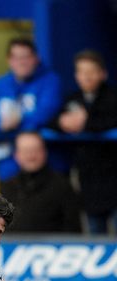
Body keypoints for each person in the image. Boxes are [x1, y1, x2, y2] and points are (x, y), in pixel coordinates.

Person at [0, 38, 62, 181]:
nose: (21, 62)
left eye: (26, 57)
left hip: (46, 162)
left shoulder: (50, 81)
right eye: (16, 57)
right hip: (7, 164)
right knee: (7, 202)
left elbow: (48, 111)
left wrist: (20, 120)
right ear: (9, 60)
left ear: (36, 58)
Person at [57, 50, 117, 234]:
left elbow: (110, 119)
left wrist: (86, 122)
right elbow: (53, 120)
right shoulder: (73, 99)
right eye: (82, 72)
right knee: (94, 233)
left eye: (91, 71)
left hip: (113, 177)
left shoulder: (113, 97)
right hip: (88, 180)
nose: (87, 76)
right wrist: (63, 122)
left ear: (103, 74)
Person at [0, 132, 81, 233]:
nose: (30, 156)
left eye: (35, 150)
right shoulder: (6, 186)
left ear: (44, 152)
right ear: (17, 155)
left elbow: (73, 229)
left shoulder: (62, 186)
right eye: (25, 151)